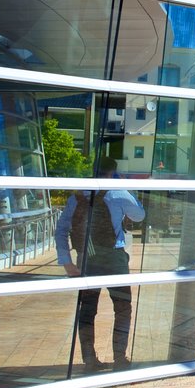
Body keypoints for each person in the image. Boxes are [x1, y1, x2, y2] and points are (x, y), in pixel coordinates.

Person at [54, 157, 145, 373]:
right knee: (123, 308)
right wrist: (124, 186)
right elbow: (139, 215)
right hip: (114, 259)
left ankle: (89, 360)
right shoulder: (118, 192)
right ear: (112, 172)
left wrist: (66, 262)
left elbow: (61, 230)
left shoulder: (76, 197)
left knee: (87, 311)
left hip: (86, 259)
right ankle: (120, 358)